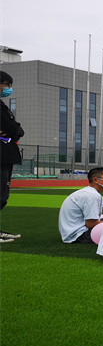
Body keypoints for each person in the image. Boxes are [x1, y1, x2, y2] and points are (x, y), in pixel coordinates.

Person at [58, 167, 103, 243]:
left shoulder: (90, 193)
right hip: (79, 234)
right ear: (96, 180)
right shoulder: (92, 196)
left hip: (71, 231)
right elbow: (90, 224)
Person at [0, 71, 24, 243]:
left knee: (3, 196)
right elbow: (12, 128)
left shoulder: (2, 106)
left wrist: (13, 131)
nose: (8, 88)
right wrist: (13, 130)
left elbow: (16, 129)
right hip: (2, 155)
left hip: (6, 154)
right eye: (6, 84)